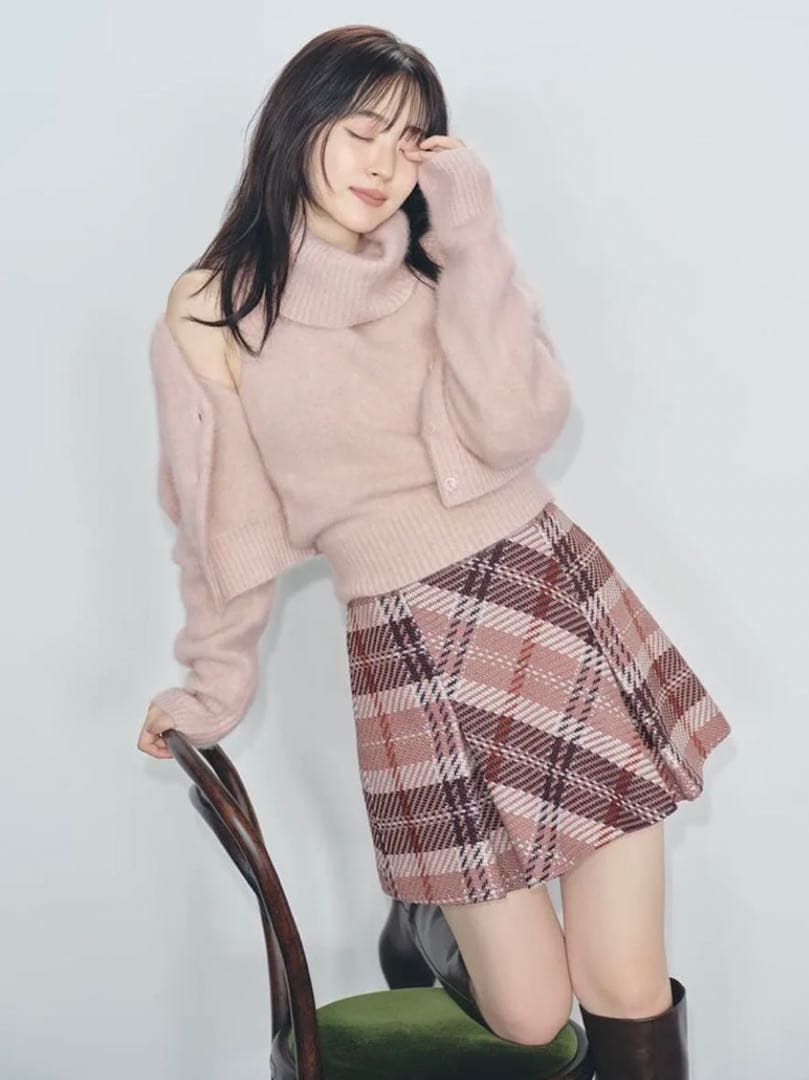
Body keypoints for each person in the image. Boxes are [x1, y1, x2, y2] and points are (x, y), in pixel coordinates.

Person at [137, 24, 731, 1076]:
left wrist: (471, 237)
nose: (382, 163)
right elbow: (221, 530)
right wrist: (210, 688)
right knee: (527, 1016)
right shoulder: (215, 307)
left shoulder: (438, 270)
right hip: (407, 645)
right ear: (298, 127)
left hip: (546, 600)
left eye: (410, 142)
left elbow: (517, 426)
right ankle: (426, 919)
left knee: (626, 983)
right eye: (360, 129)